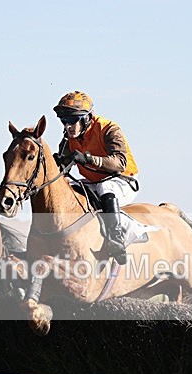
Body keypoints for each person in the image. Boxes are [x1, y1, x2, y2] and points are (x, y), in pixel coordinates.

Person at [52, 91, 139, 265]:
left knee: (105, 188)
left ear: (87, 118)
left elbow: (120, 163)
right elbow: (61, 168)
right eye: (63, 121)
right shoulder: (68, 139)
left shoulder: (109, 129)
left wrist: (89, 159)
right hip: (92, 182)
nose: (68, 126)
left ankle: (117, 239)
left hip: (122, 180)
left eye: (72, 121)